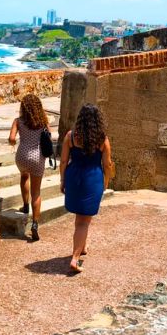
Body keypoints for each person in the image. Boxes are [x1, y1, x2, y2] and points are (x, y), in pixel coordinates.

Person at [60, 104, 114, 273]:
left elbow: (63, 161)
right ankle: (75, 259)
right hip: (92, 179)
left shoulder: (71, 136)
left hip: (74, 177)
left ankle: (81, 247)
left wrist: (62, 180)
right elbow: (107, 165)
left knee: (80, 218)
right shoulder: (102, 139)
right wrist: (106, 182)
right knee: (84, 221)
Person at [8, 94, 51, 241]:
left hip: (22, 156)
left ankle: (25, 205)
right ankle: (34, 224)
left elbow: (12, 139)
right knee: (37, 192)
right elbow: (49, 137)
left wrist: (13, 142)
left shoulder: (18, 122)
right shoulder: (43, 122)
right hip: (38, 157)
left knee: (24, 176)